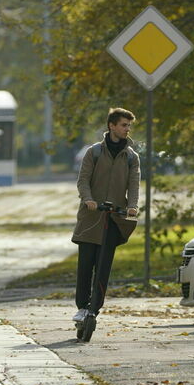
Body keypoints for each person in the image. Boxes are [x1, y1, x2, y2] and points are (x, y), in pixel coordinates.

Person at [71, 107, 140, 328]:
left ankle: (94, 309)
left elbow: (134, 184)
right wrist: (88, 199)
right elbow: (83, 180)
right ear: (112, 126)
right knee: (86, 265)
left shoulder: (131, 157)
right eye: (123, 125)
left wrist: (132, 206)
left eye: (129, 126)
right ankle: (82, 307)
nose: (127, 129)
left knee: (103, 267)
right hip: (91, 218)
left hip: (113, 218)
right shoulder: (94, 152)